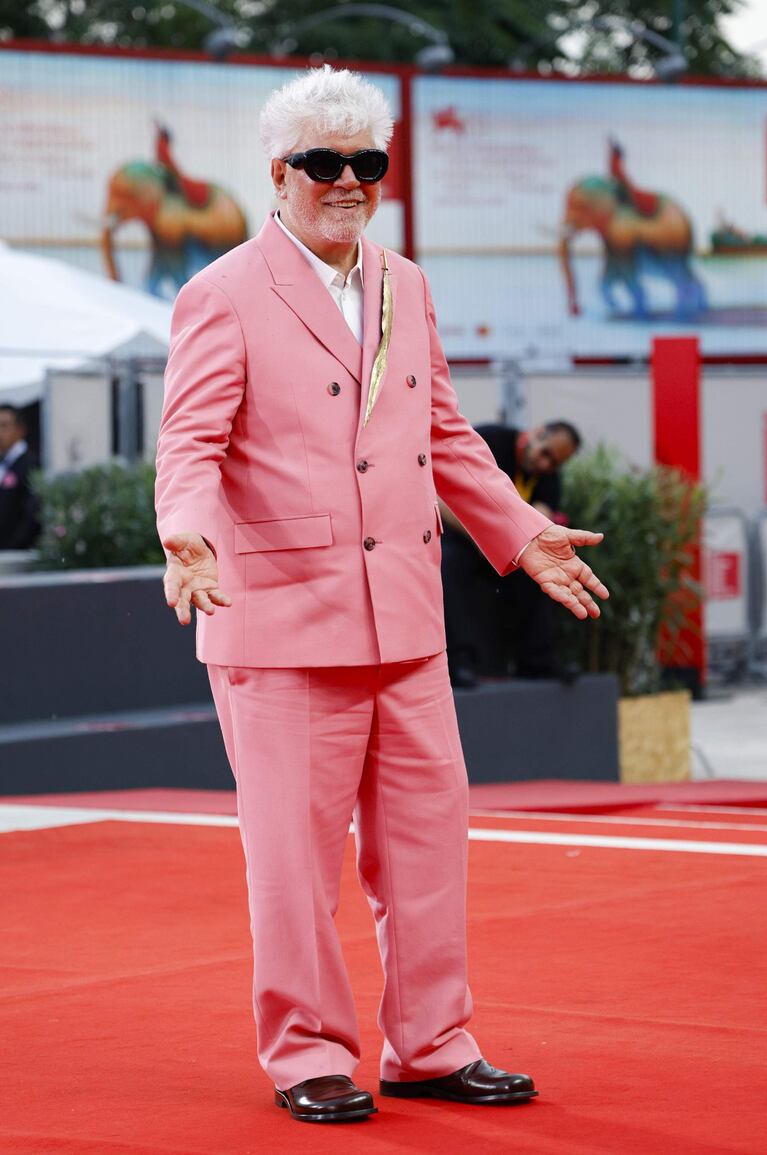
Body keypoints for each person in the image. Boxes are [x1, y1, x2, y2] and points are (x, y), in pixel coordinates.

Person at [155, 66, 608, 1125]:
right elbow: (188, 443)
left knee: (426, 849)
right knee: (294, 868)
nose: (349, 181)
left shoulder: (406, 281)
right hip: (278, 623)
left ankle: (432, 1043)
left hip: (404, 619)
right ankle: (307, 1052)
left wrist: (519, 533)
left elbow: (443, 432)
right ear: (279, 173)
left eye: (368, 162)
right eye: (325, 163)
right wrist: (185, 534)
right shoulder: (220, 291)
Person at [440, 422, 581, 687]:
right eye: (546, 454)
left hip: (505, 547)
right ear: (537, 433)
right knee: (449, 564)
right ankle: (459, 664)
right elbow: (441, 497)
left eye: (554, 463)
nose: (545, 465)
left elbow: (540, 520)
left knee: (540, 569)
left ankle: (538, 661)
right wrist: (482, 539)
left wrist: (506, 545)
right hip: (462, 536)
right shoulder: (488, 441)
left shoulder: (548, 477)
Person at [0, 405, 40, 551]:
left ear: (20, 430)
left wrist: (12, 548)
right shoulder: (4, 464)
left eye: (4, 426)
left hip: (18, 556)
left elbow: (32, 514)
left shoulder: (30, 464)